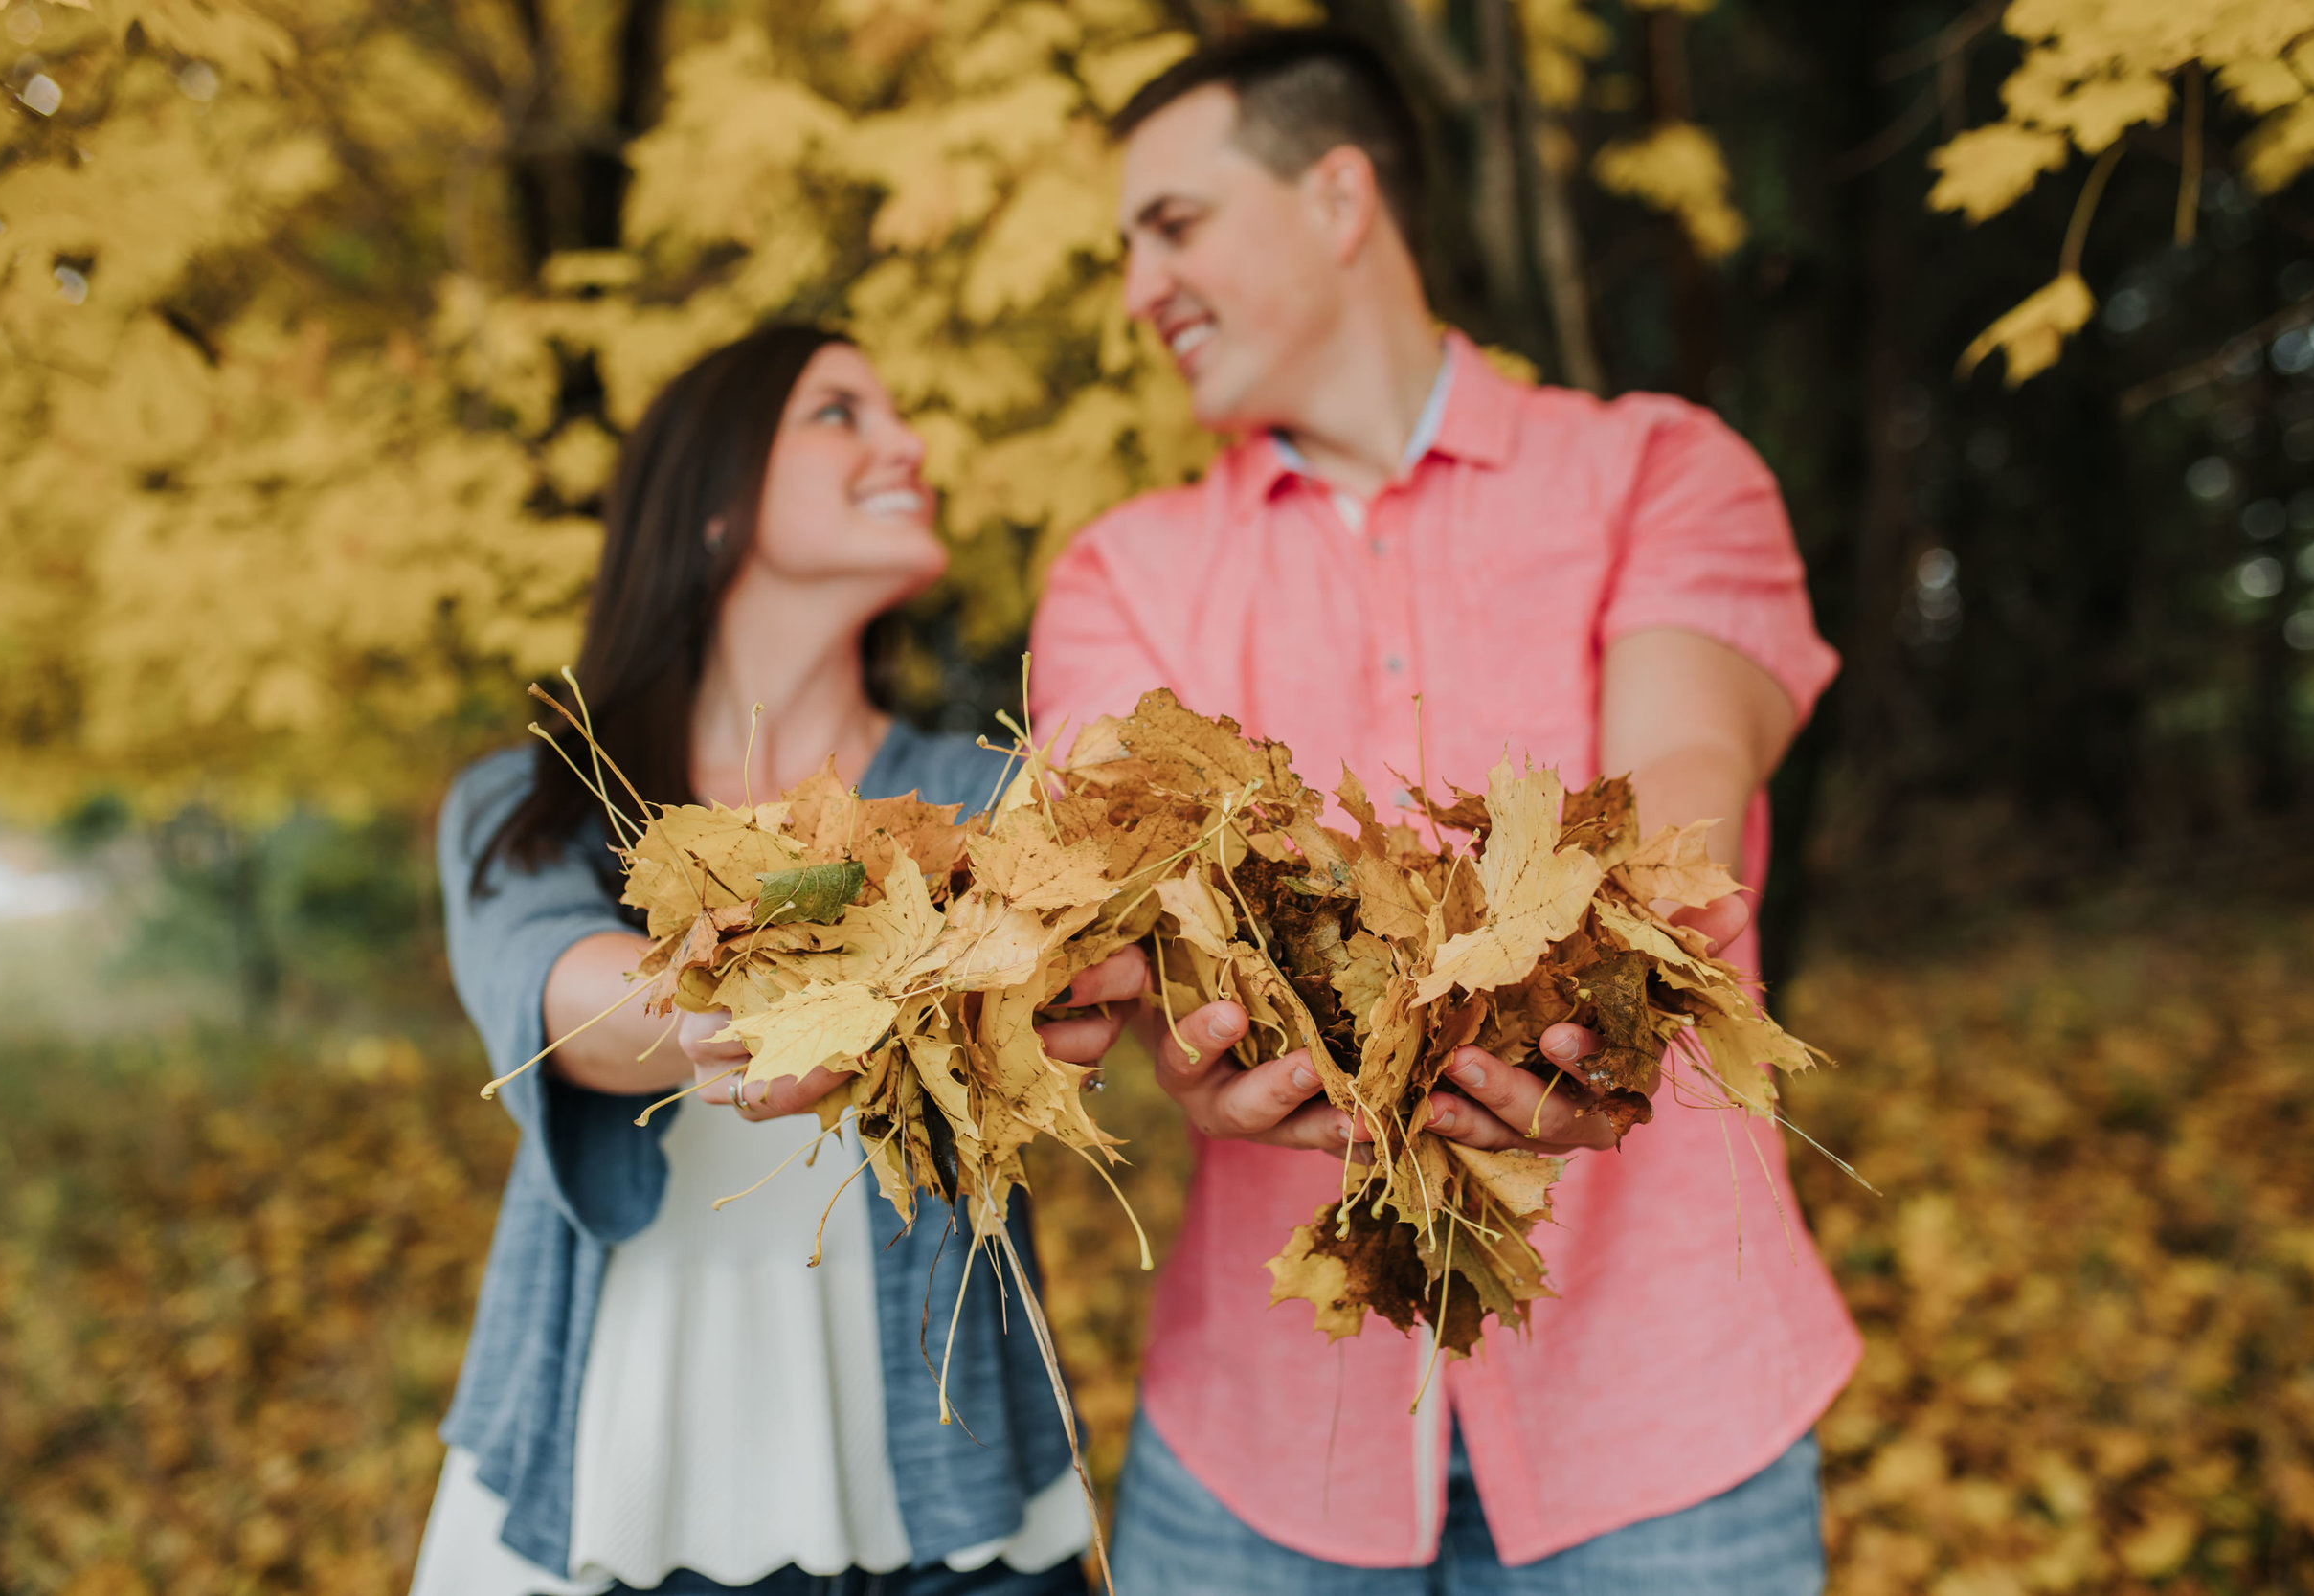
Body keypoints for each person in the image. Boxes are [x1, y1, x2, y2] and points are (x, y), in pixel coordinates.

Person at [1027, 30, 1860, 1594]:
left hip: (1665, 1423)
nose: (1140, 287)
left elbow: (1675, 810)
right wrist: (1173, 1028)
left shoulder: (1662, 473)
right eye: (1127, 246)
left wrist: (1587, 1005)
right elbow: (1115, 892)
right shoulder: (1116, 577)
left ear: (1340, 195)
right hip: (1272, 1460)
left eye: (1176, 226)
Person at [415, 325, 1144, 1596]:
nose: (907, 442)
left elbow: (1058, 997)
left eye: (897, 413)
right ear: (707, 507)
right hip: (624, 1468)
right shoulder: (536, 801)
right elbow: (552, 992)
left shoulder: (980, 801)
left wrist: (1054, 1003)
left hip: (948, 1484)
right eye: (839, 413)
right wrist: (733, 1008)